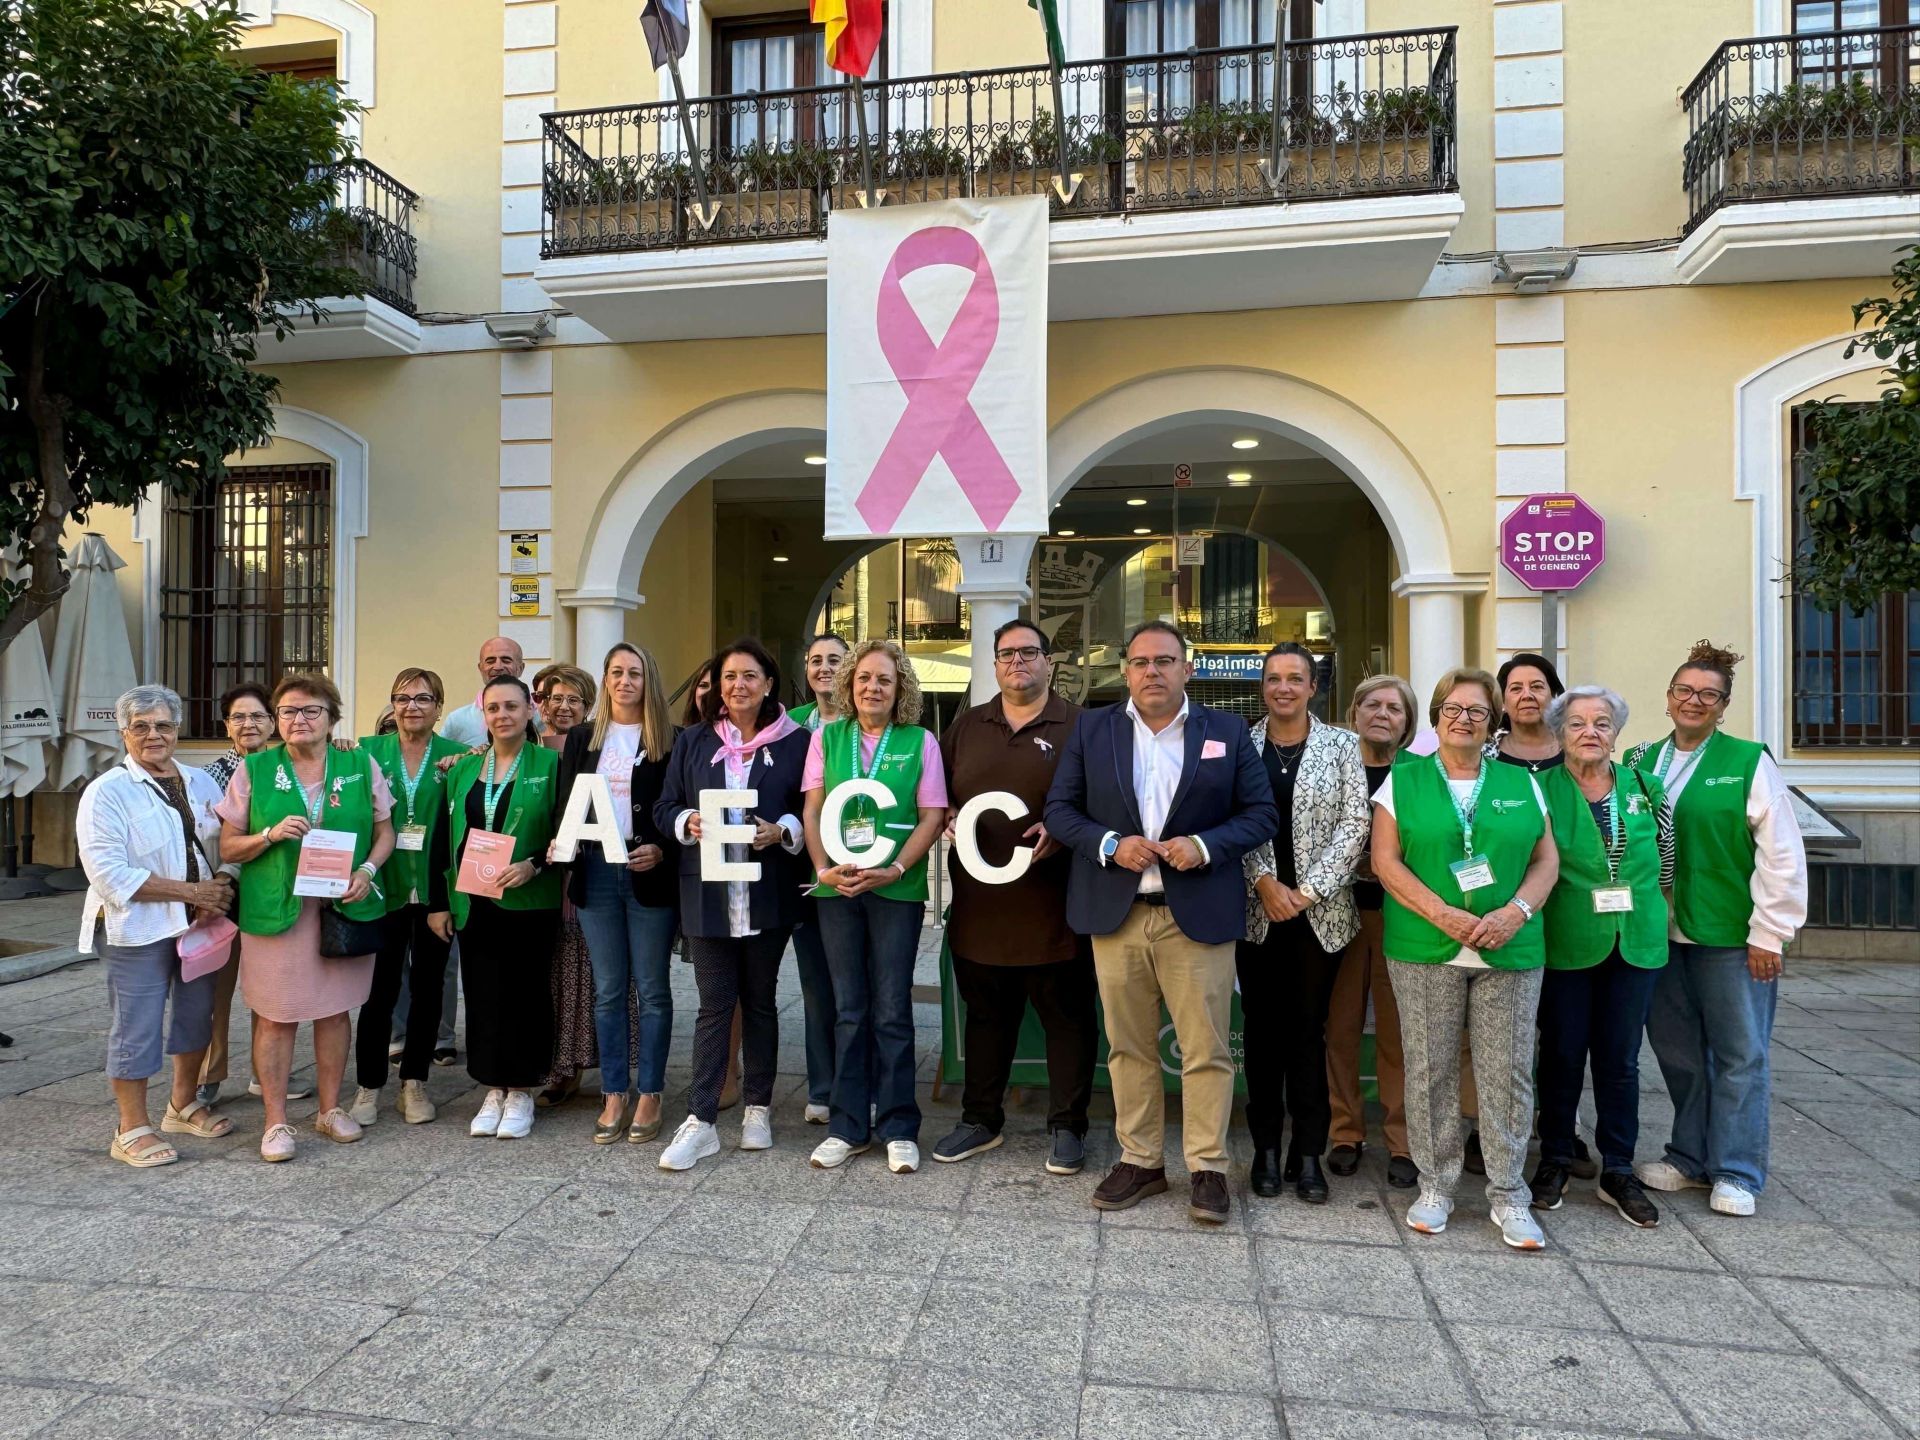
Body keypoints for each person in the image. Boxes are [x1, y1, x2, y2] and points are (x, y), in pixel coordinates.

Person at [1045, 620, 1276, 1227]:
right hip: (1116, 916)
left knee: (1206, 1050)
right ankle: (1141, 1160)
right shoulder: (1093, 729)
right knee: (1128, 1047)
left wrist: (1203, 845)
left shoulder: (1224, 731)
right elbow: (1060, 811)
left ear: (1187, 668)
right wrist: (1108, 844)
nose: (1153, 671)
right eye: (1142, 661)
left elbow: (1260, 814)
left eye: (1165, 661)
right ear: (1125, 670)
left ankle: (1208, 1168)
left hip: (1195, 915)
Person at [1370, 667, 1558, 1249]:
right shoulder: (1403, 781)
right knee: (1430, 1069)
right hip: (1426, 945)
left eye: (1477, 710)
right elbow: (1386, 861)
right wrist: (1444, 915)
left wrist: (1515, 914)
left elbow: (1545, 861)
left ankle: (1508, 1193)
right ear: (1435, 716)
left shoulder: (1522, 783)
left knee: (1509, 1072)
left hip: (1511, 945)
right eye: (1453, 708)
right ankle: (1436, 1185)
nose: (1464, 718)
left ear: (1493, 721)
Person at [1630, 640, 1807, 1218]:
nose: (1694, 701)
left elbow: (1781, 851)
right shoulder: (1639, 761)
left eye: (1708, 694)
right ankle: (1689, 1157)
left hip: (1731, 935)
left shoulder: (1747, 761)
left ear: (1724, 705)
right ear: (1668, 697)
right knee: (1679, 1054)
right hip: (1661, 933)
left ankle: (1737, 1170)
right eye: (1684, 691)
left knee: (1739, 1054)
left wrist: (1770, 931)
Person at [933, 618, 1093, 1175]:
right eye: (1006, 654)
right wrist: (947, 812)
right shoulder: (967, 726)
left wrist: (1067, 828)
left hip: (1059, 908)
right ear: (994, 665)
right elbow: (934, 796)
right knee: (986, 1019)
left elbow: (1110, 800)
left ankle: (1069, 1127)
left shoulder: (1085, 726)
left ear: (1050, 662)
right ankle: (980, 1120)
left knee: (1067, 1020)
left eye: (1029, 653)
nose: (1017, 662)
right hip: (981, 907)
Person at [217, 674, 396, 1162]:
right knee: (276, 1016)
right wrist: (269, 835)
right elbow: (228, 844)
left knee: (334, 1011)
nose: (299, 719)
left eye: (310, 710)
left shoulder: (360, 763)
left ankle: (330, 1108)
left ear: (332, 718)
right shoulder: (255, 769)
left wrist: (367, 868)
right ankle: (275, 1120)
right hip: (277, 909)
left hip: (340, 907)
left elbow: (386, 831)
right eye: (289, 711)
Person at [655, 638, 811, 1171]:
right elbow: (665, 804)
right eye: (728, 677)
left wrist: (783, 830)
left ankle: (758, 1108)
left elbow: (809, 807)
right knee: (714, 1004)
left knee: (762, 1001)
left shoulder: (798, 742)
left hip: (767, 889)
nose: (737, 686)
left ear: (769, 683)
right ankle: (701, 1119)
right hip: (708, 890)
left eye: (748, 676)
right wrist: (686, 823)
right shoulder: (695, 741)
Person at [803, 638, 948, 1175]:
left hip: (895, 890)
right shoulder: (827, 737)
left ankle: (898, 1125)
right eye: (864, 678)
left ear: (900, 688)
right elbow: (813, 807)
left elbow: (932, 815)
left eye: (884, 679)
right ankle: (847, 1126)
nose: (872, 687)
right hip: (836, 889)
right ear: (850, 684)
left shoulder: (919, 741)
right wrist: (821, 869)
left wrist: (896, 869)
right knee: (849, 1009)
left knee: (891, 1009)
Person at [76, 685, 237, 1167]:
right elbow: (107, 873)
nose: (153, 735)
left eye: (163, 725)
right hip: (136, 928)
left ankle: (182, 1104)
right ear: (124, 732)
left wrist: (221, 888)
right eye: (140, 726)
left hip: (199, 927)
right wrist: (191, 893)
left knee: (196, 1016)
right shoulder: (107, 792)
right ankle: (131, 1128)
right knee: (136, 1027)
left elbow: (227, 845)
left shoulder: (202, 783)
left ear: (177, 729)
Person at [1534, 685, 1675, 1228]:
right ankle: (1555, 1159)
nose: (1589, 732)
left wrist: (1649, 912)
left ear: (1616, 734)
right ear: (1559, 733)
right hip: (1569, 939)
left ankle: (1618, 1168)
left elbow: (1666, 862)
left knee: (1620, 1060)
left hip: (1635, 940)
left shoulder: (1647, 786)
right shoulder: (1540, 789)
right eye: (1576, 724)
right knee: (1563, 1054)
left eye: (1601, 724)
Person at [1237, 644, 1370, 1204]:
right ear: (1262, 686)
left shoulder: (1342, 745)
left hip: (1321, 916)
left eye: (1296, 678)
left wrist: (1307, 891)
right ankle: (1266, 1148)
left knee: (1309, 1033)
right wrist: (1266, 883)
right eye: (1274, 678)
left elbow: (1355, 822)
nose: (1284, 687)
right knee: (1262, 1034)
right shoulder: (1238, 745)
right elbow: (1228, 818)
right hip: (1256, 912)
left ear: (1314, 686)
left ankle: (1307, 1151)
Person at [428, 676, 563, 1140]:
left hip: (529, 900)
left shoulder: (551, 764)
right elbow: (443, 839)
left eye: (511, 706)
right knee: (483, 994)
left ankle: (522, 1088)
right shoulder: (465, 769)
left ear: (531, 711)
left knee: (525, 993)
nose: (502, 715)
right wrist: (439, 903)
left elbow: (564, 838)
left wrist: (532, 866)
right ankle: (492, 1085)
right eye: (493, 708)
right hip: (472, 899)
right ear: (482, 715)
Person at [555, 644, 678, 1144]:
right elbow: (567, 804)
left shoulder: (673, 739)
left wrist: (663, 849)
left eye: (634, 673)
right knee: (607, 991)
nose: (625, 681)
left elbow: (679, 807)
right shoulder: (584, 737)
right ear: (604, 680)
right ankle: (613, 1091)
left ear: (648, 680)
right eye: (616, 672)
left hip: (648, 873)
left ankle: (650, 1091)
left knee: (651, 990)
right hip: (597, 874)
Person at [348, 668, 466, 1128]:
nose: (411, 706)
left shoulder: (458, 756)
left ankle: (414, 1080)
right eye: (402, 698)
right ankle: (369, 1084)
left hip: (436, 892)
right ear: (391, 705)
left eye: (422, 698)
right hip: (383, 888)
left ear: (439, 706)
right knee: (379, 991)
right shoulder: (365, 752)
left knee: (429, 987)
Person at [1326, 674, 1419, 1189]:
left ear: (1407, 722)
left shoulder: (1421, 775)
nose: (1383, 714)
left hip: (1401, 917)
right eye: (1373, 705)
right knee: (1338, 1029)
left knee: (1396, 1032)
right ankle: (1345, 1132)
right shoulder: (1332, 769)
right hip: (1338, 912)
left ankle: (1402, 1141)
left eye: (1395, 708)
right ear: (1355, 712)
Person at [531, 664, 636, 1108]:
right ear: (542, 703)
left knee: (599, 975)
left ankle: (609, 1068)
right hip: (545, 877)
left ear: (589, 705)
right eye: (556, 698)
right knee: (555, 975)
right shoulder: (528, 747)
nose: (564, 705)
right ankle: (561, 1067)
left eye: (574, 699)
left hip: (591, 872)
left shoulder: (595, 743)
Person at [197, 683, 304, 1108]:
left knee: (269, 991)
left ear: (273, 722)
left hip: (271, 894)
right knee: (215, 993)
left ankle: (268, 1074)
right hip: (224, 895)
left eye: (258, 716)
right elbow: (208, 839)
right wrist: (219, 880)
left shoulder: (289, 770)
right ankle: (209, 1076)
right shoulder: (207, 778)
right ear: (227, 726)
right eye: (239, 717)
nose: (249, 725)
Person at [787, 633, 851, 1123]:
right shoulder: (789, 729)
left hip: (857, 870)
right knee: (815, 984)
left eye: (834, 659)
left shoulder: (868, 725)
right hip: (807, 873)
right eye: (816, 661)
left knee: (855, 984)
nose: (824, 668)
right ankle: (823, 1087)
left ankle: (857, 1081)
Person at [442, 636, 535, 748]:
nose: (498, 667)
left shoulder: (540, 716)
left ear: (521, 668)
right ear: (480, 668)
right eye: (490, 661)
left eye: (506, 660)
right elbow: (441, 759)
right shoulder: (457, 719)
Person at [1490, 653, 1566, 773]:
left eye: (1536, 686)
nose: (1527, 696)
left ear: (1553, 696)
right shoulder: (1484, 754)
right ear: (1503, 701)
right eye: (1516, 688)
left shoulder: (1574, 749)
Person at [787, 633, 847, 731]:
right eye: (816, 661)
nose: (824, 668)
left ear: (849, 668)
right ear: (807, 669)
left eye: (833, 661)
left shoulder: (865, 720)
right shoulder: (791, 720)